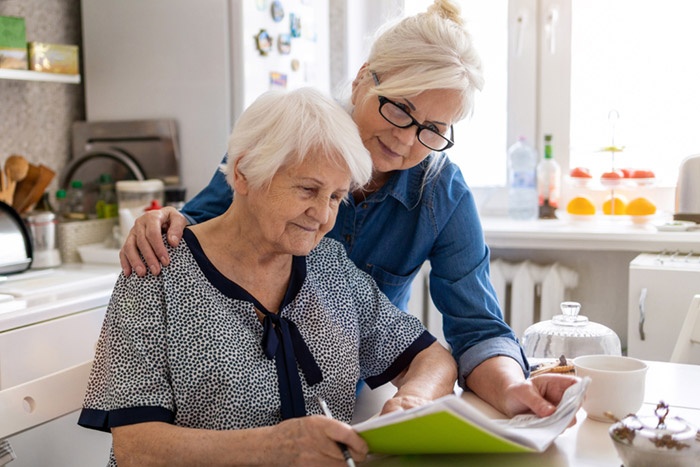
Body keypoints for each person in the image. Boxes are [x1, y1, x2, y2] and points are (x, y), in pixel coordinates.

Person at [119, 0, 579, 419]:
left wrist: (514, 388)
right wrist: (163, 221)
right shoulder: (287, 140)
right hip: (235, 400)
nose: (404, 139)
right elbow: (200, 231)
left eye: (432, 128)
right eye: (400, 108)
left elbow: (477, 329)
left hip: (344, 398)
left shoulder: (442, 193)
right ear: (363, 79)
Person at [79, 87, 457, 466]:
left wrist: (413, 402)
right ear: (243, 173)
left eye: (335, 197)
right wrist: (275, 448)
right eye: (308, 189)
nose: (323, 216)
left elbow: (431, 358)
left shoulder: (330, 265)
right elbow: (137, 449)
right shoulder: (157, 269)